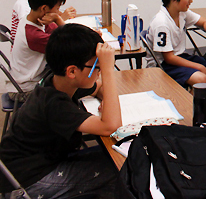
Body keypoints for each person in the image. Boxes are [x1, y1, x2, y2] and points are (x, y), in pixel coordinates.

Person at [0, 24, 121, 198]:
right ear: (72, 71)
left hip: (36, 165)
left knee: (111, 156)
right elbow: (110, 126)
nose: (100, 71)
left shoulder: (59, 81)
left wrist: (107, 101)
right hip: (28, 183)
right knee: (118, 167)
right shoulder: (54, 103)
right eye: (97, 66)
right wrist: (109, 70)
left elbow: (98, 87)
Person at [8, 0, 67, 101]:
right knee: (74, 83)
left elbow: (58, 33)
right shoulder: (34, 35)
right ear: (45, 9)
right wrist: (58, 20)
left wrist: (56, 19)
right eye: (57, 8)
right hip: (26, 90)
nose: (58, 12)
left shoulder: (31, 19)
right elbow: (68, 45)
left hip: (29, 81)